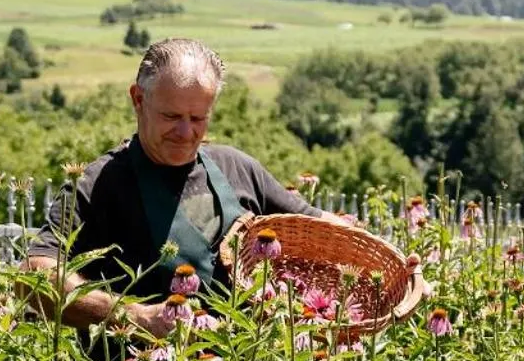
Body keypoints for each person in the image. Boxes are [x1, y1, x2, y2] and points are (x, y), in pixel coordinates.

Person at [21, 37, 324, 340]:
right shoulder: (96, 185)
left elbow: (321, 228)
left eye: (198, 118)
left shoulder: (238, 169)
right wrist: (134, 317)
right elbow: (33, 274)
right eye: (171, 116)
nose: (185, 132)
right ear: (138, 99)